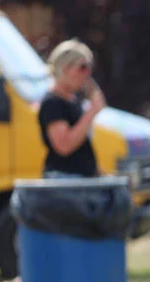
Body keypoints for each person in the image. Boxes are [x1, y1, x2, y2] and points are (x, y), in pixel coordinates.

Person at [39, 39, 105, 179]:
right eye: (82, 67)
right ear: (65, 68)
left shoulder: (73, 101)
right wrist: (92, 111)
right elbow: (64, 146)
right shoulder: (52, 103)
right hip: (64, 180)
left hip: (81, 179)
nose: (87, 73)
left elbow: (82, 145)